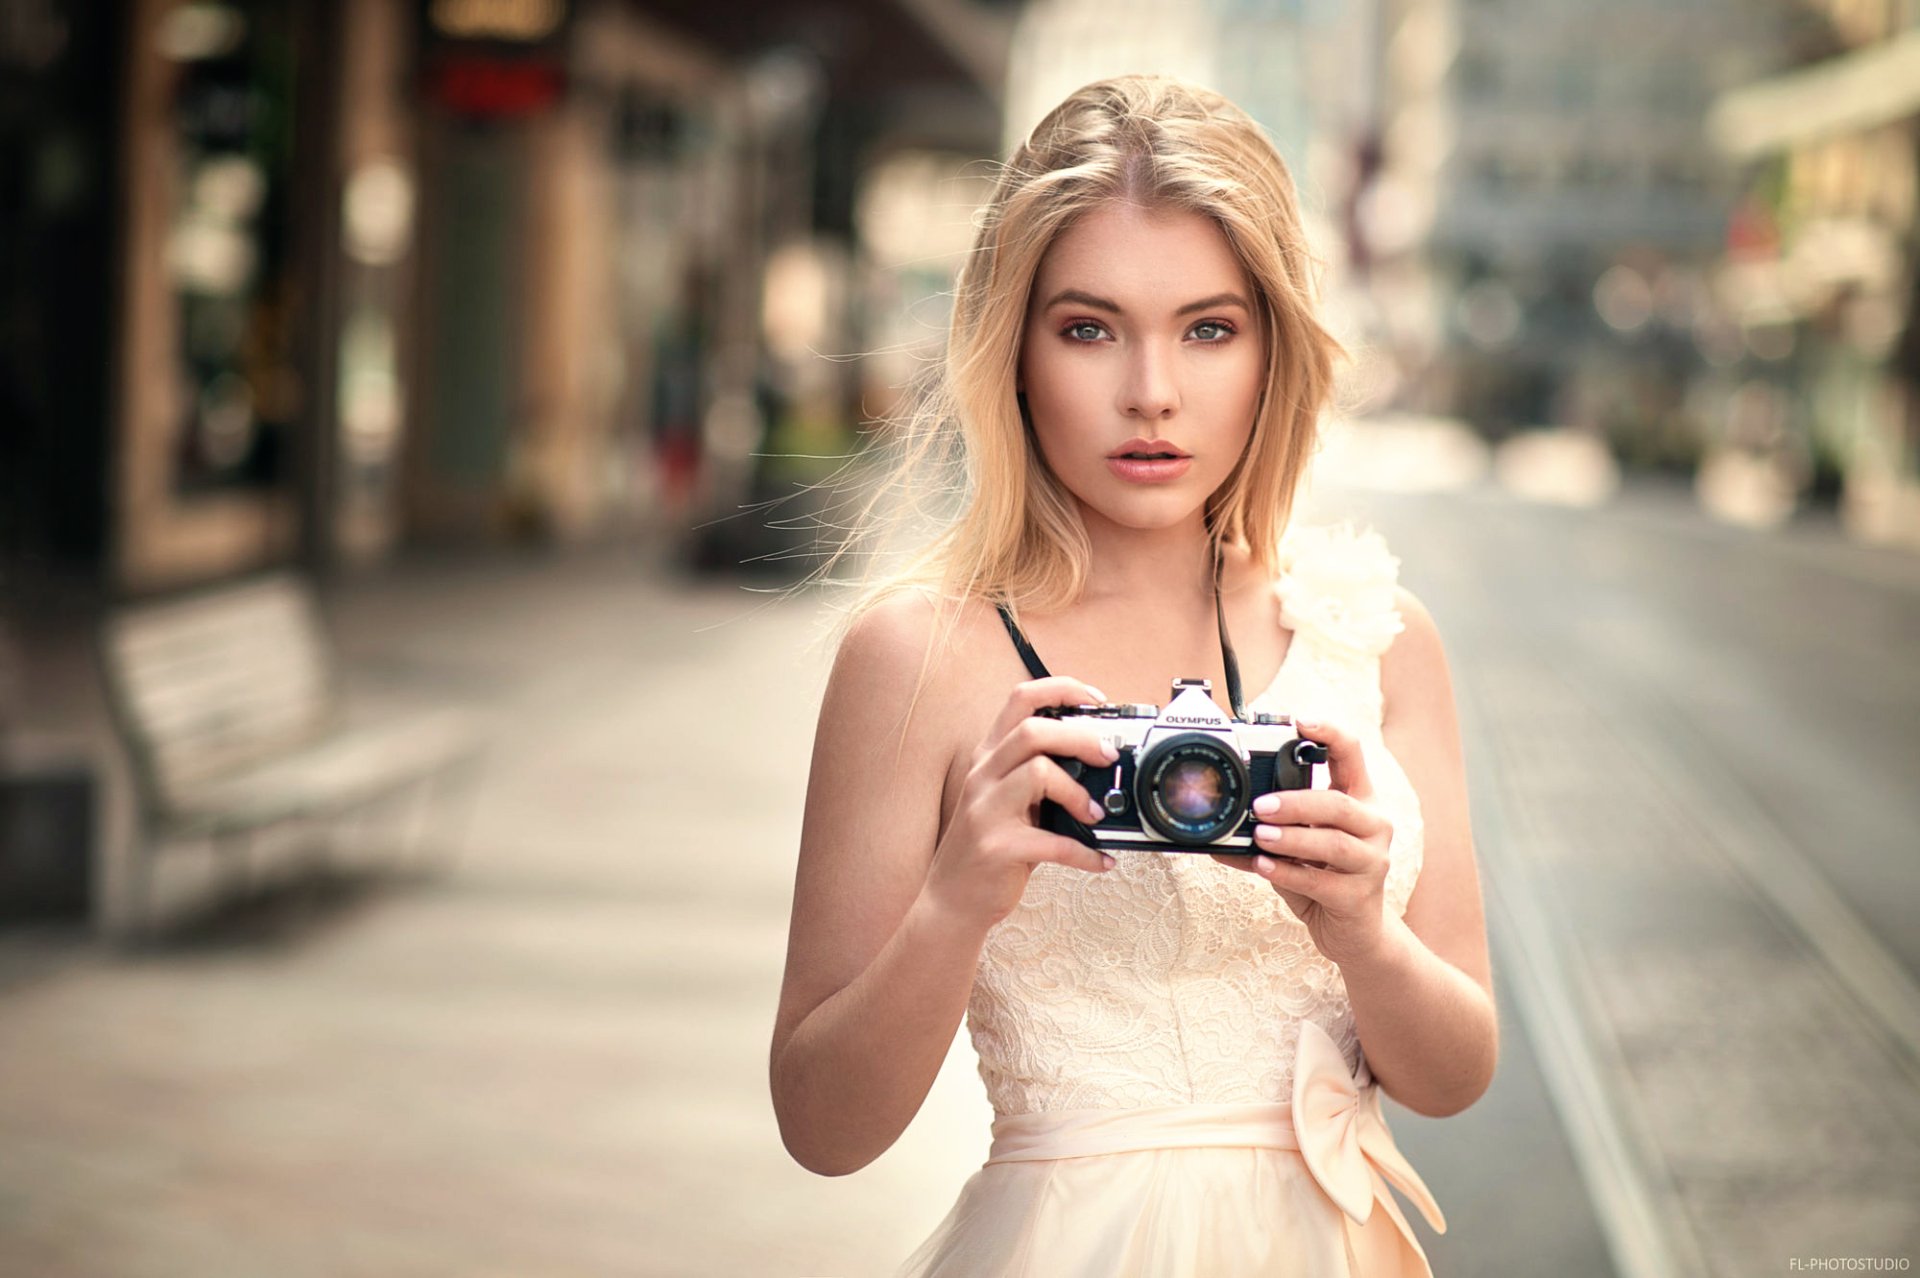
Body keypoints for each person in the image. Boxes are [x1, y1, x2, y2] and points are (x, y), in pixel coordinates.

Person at [770, 73, 1497, 1277]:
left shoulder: (1375, 636)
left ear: (1272, 349)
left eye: (1208, 328)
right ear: (1013, 347)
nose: (1151, 392)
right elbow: (823, 1128)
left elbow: (1457, 1074)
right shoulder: (918, 655)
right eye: (1090, 328)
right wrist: (958, 899)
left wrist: (1364, 935)